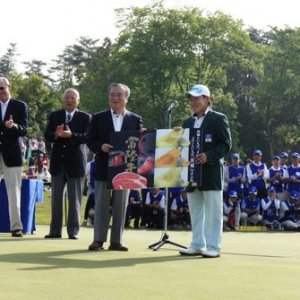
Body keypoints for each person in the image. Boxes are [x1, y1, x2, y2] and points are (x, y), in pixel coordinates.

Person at [87, 83, 144, 251]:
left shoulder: (135, 119)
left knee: (121, 204)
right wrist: (101, 147)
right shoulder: (97, 118)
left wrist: (143, 135)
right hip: (104, 165)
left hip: (125, 169)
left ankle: (116, 241)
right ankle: (98, 240)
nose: (115, 98)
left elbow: (141, 141)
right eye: (112, 94)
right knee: (101, 205)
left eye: (119, 95)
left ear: (127, 98)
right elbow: (90, 140)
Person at [179, 84, 232, 258]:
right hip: (192, 173)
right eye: (191, 98)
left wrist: (209, 156)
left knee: (213, 212)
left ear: (208, 99)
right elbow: (183, 146)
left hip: (210, 172)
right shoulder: (187, 122)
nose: (193, 101)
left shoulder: (218, 118)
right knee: (195, 210)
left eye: (197, 98)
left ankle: (213, 247)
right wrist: (175, 137)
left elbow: (225, 144)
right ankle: (196, 244)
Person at [44, 88, 91, 239]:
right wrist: (56, 135)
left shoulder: (85, 117)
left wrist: (71, 135)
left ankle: (73, 231)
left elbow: (87, 137)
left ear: (78, 100)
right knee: (56, 199)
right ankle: (54, 231)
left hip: (76, 164)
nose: (69, 100)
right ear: (63, 100)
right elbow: (47, 135)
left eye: (72, 98)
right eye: (66, 98)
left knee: (75, 199)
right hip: (58, 163)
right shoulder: (55, 115)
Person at [0, 76, 28, 237]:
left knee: (13, 191)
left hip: (13, 154)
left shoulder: (20, 106)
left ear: (9, 87)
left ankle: (16, 227)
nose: (0, 92)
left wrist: (13, 126)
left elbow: (24, 129)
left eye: (2, 88)